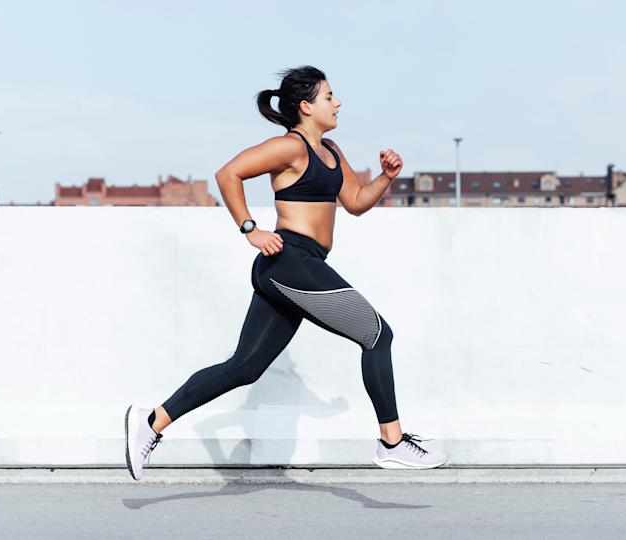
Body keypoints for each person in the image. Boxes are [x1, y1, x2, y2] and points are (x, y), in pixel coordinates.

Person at [124, 65, 446, 481]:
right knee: (377, 334)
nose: (338, 102)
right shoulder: (290, 148)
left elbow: (356, 201)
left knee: (244, 368)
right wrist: (250, 229)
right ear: (307, 106)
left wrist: (385, 178)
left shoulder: (331, 151)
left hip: (300, 265)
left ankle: (151, 423)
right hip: (288, 260)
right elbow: (228, 174)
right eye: (330, 96)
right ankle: (392, 442)